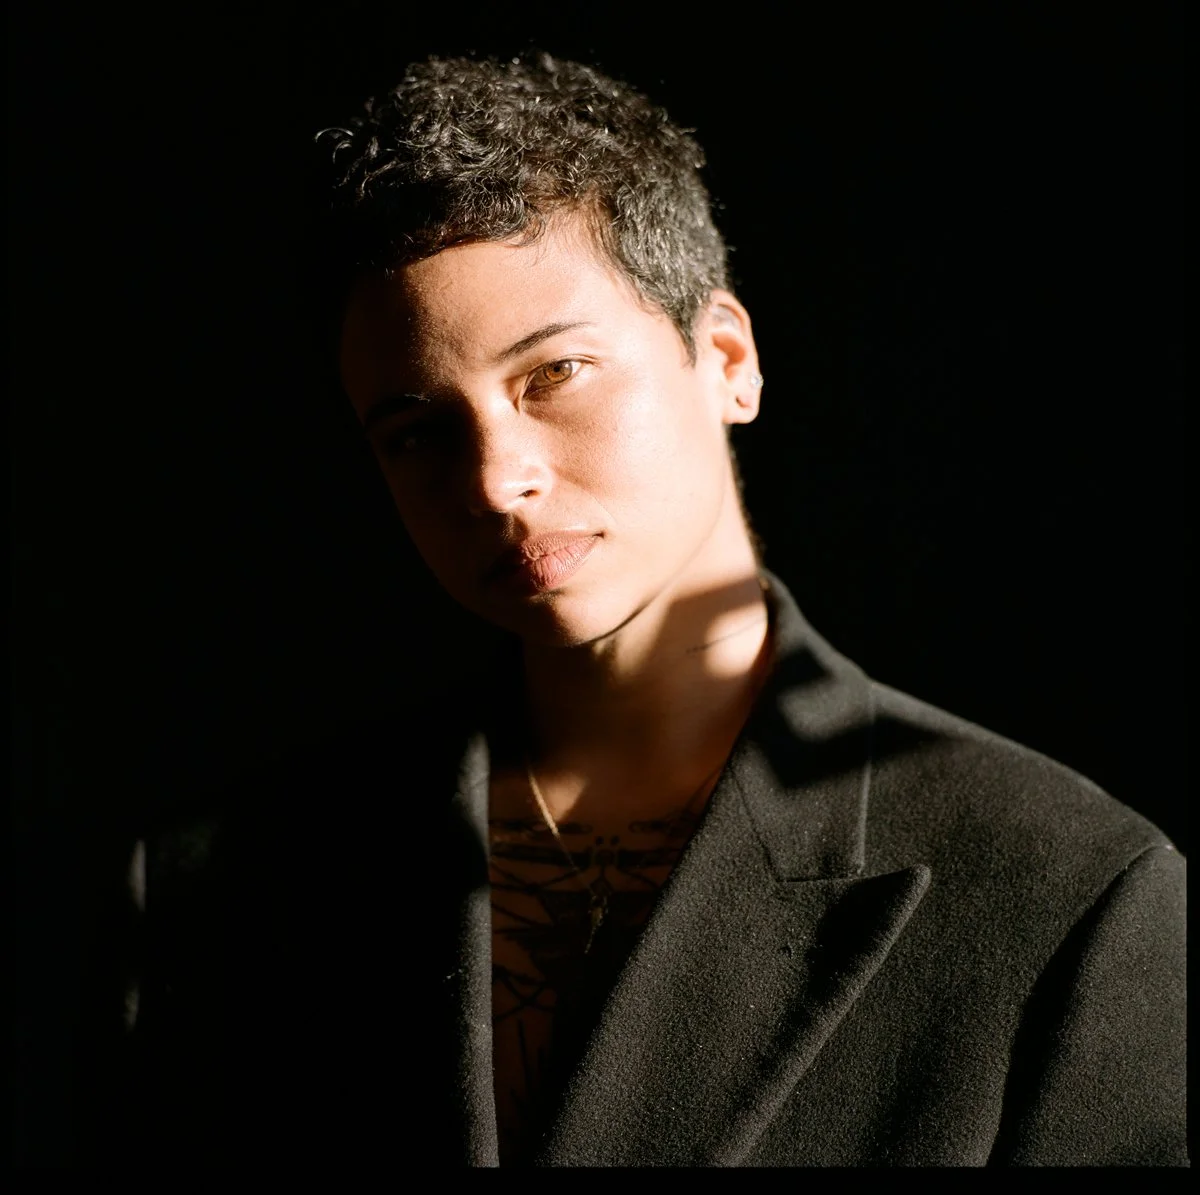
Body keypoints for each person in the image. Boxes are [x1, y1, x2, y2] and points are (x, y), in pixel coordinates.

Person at [106, 52, 1185, 1167]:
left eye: (554, 374)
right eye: (420, 432)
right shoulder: (218, 889)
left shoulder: (1068, 889)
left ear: (725, 357)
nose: (497, 481)